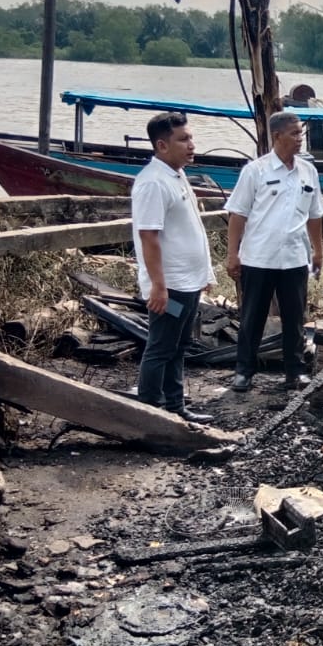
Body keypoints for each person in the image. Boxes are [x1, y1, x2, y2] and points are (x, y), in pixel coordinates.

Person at [224, 112, 323, 393]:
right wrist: (233, 254)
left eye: (301, 133)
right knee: (252, 317)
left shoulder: (308, 171)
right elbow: (238, 215)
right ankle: (244, 371)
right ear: (277, 135)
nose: (299, 139)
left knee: (294, 318)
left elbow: (315, 215)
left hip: (294, 258)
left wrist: (318, 251)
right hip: (259, 257)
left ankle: (294, 372)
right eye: (294, 134)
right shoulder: (255, 171)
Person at [131, 111, 218, 423]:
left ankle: (175, 408)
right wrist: (158, 286)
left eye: (191, 138)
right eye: (183, 140)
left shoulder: (176, 175)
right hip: (170, 286)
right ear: (162, 145)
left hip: (188, 282)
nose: (191, 145)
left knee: (179, 346)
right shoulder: (152, 183)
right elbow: (148, 237)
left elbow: (189, 229)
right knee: (161, 347)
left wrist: (204, 273)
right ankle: (150, 413)